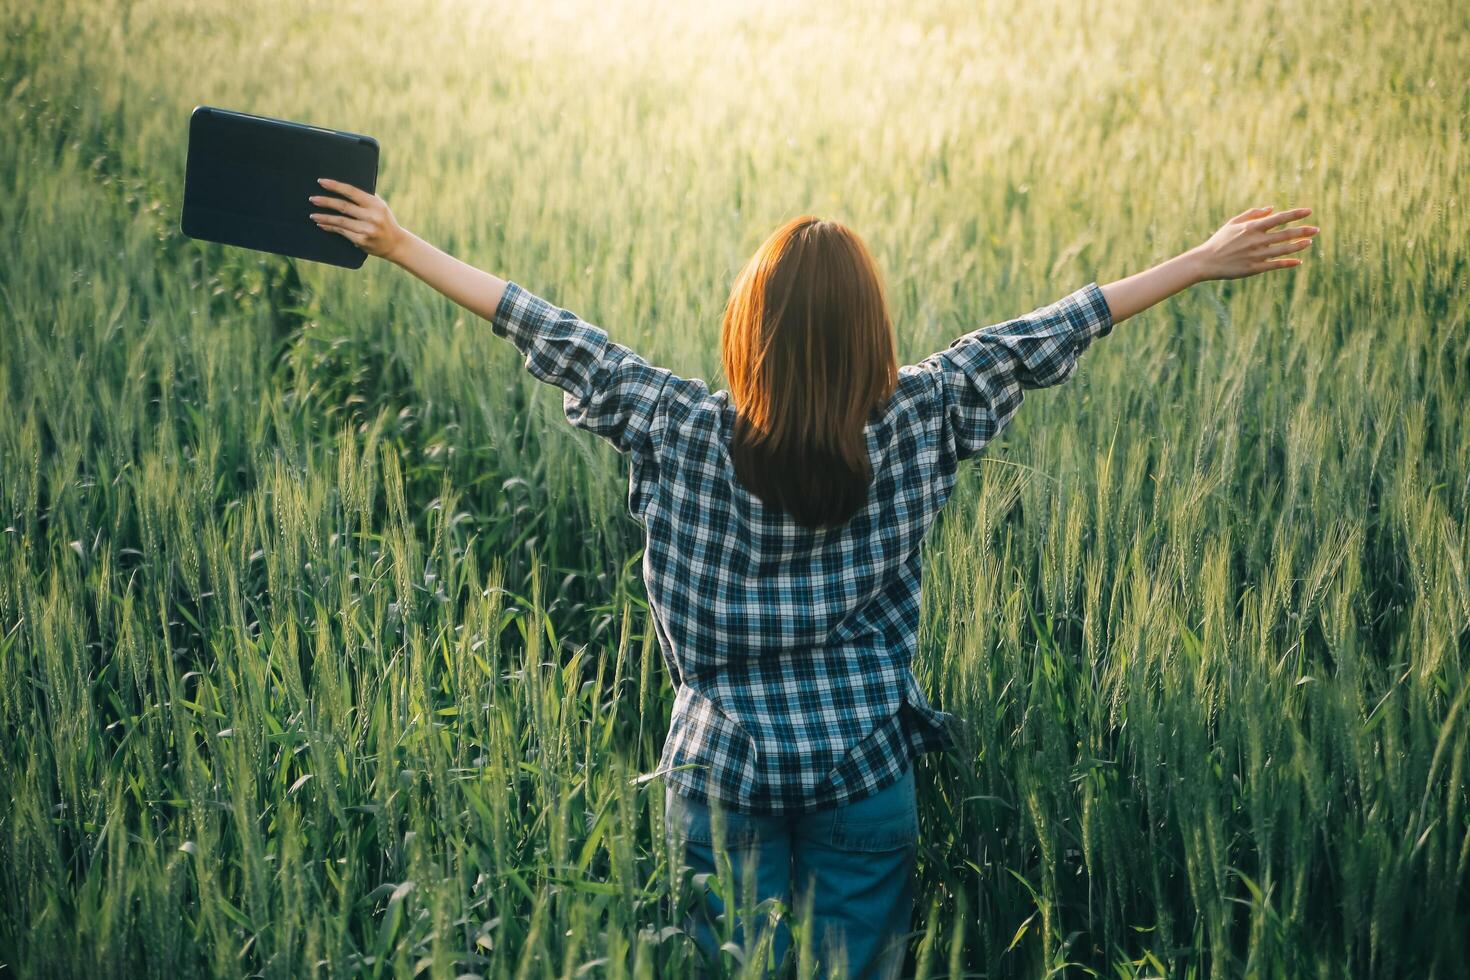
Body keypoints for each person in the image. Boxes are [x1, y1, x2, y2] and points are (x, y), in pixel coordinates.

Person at [308, 182, 1317, 977]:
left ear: (752, 331)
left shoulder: (677, 426)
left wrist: (400, 243)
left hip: (722, 779)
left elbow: (548, 328)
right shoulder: (927, 414)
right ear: (872, 334)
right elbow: (1053, 328)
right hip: (864, 774)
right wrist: (1200, 259)